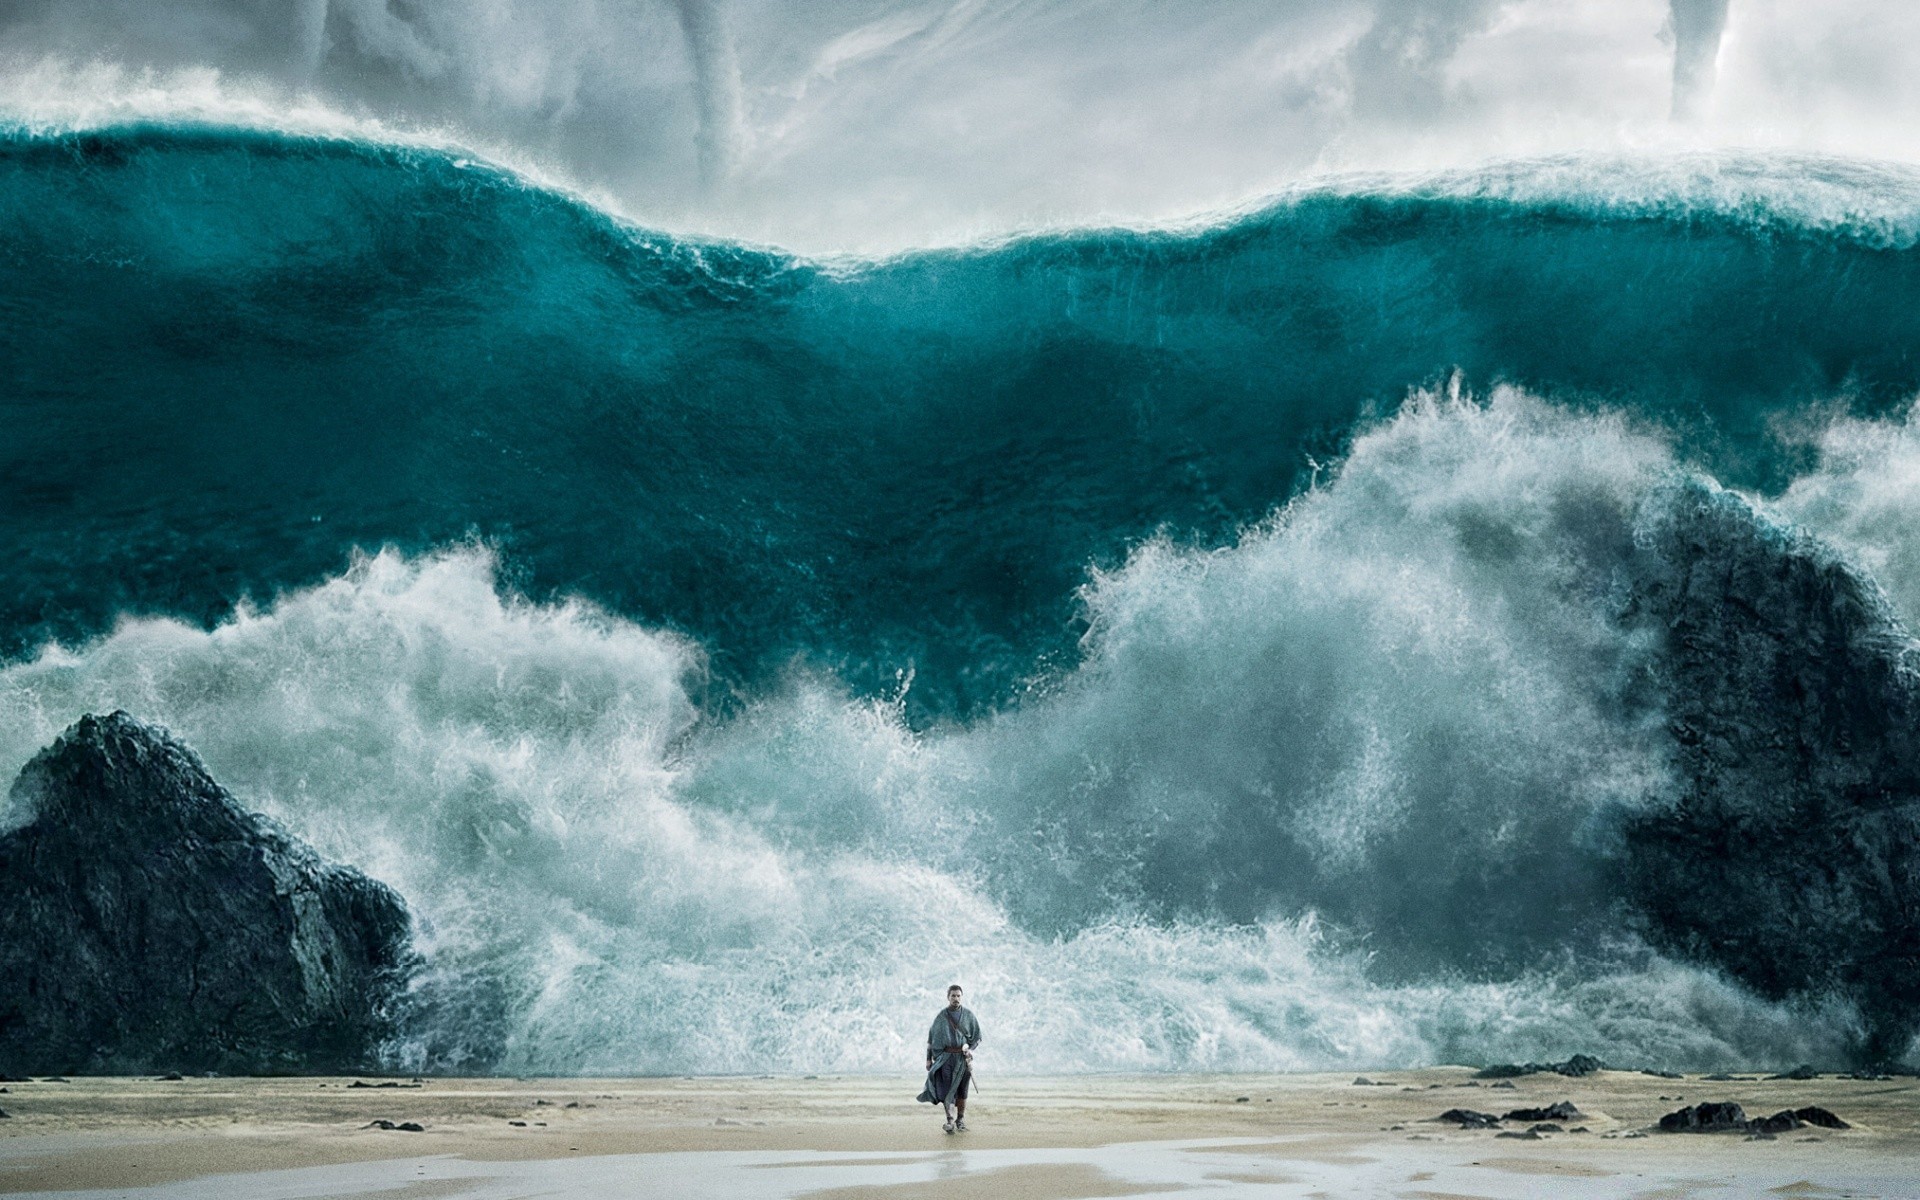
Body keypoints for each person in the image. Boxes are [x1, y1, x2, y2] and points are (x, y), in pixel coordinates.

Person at [916, 983, 981, 1133]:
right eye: (953, 996)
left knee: (963, 1090)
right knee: (948, 1090)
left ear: (961, 997)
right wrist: (928, 1059)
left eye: (958, 996)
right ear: (948, 997)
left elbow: (977, 1037)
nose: (956, 998)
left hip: (963, 1059)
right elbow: (931, 1040)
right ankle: (950, 1121)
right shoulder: (941, 1017)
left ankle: (960, 1120)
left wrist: (970, 1050)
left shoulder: (969, 1016)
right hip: (946, 1059)